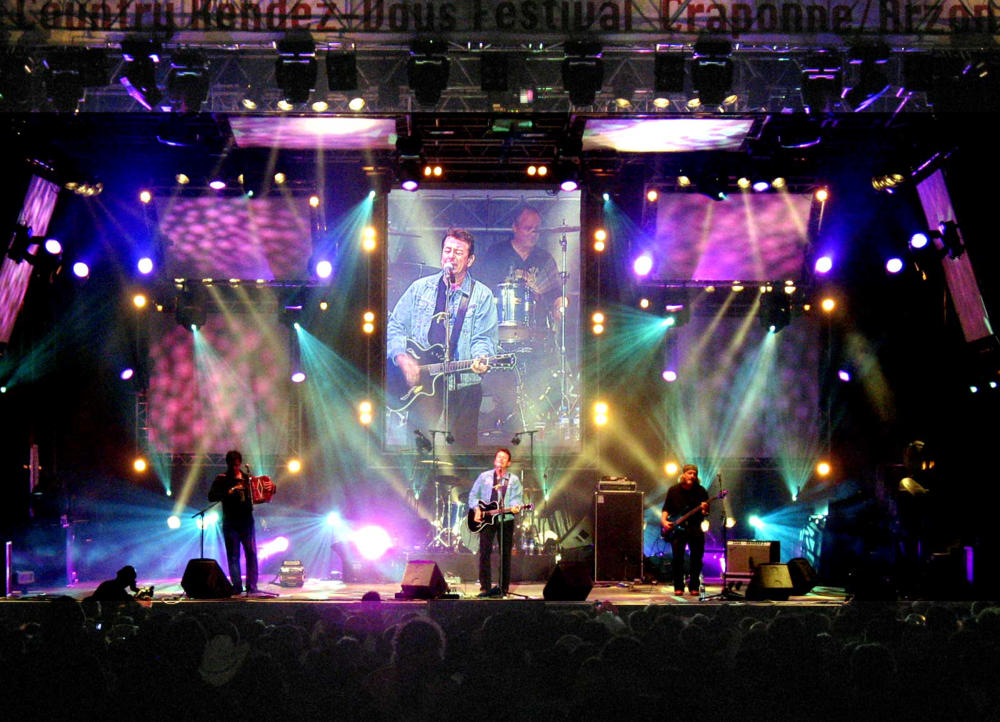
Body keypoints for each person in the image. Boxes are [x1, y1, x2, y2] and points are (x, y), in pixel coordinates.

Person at [386, 228, 499, 448]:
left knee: (462, 453)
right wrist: (402, 358)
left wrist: (482, 358)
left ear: (470, 260)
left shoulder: (481, 295)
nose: (451, 256)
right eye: (447, 250)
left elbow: (483, 338)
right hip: (422, 386)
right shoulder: (419, 289)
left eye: (458, 252)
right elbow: (395, 326)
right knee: (420, 451)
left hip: (463, 386)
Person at [476, 206, 565, 331]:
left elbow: (556, 295)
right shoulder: (496, 253)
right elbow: (483, 290)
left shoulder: (544, 258)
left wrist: (560, 305)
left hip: (537, 329)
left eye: (536, 229)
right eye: (528, 228)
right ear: (515, 227)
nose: (533, 233)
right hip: (501, 327)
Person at [208, 450, 272, 595]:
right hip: (230, 522)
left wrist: (271, 489)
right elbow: (211, 496)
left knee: (251, 553)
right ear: (227, 464)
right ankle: (236, 586)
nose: (235, 468)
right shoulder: (222, 479)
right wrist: (229, 491)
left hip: (247, 521)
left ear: (240, 463)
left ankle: (252, 586)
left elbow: (263, 493)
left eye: (237, 465)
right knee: (233, 556)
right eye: (232, 465)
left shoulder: (248, 479)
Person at [468, 447, 523, 597]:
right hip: (487, 519)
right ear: (494, 460)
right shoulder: (484, 477)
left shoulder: (513, 480)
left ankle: (503, 588)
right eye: (499, 457)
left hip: (506, 519)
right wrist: (477, 509)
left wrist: (516, 507)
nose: (501, 459)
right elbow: (473, 495)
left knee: (505, 554)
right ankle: (485, 587)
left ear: (509, 463)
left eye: (504, 458)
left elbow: (517, 499)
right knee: (485, 552)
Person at [661, 464, 710, 596]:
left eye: (695, 474)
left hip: (695, 527)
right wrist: (664, 522)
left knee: (697, 558)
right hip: (678, 529)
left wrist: (705, 509)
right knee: (677, 558)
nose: (692, 476)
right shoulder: (673, 490)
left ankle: (694, 586)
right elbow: (666, 508)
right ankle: (678, 586)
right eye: (690, 473)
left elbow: (706, 513)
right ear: (683, 474)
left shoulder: (701, 491)